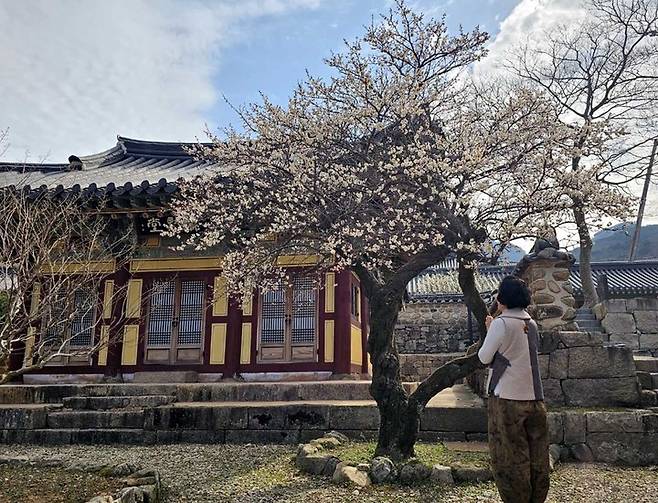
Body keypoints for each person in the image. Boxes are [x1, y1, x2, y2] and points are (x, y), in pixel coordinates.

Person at [478, 275, 549, 503]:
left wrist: (490, 329)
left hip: (507, 398)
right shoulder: (532, 324)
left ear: (502, 298)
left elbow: (484, 357)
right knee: (537, 454)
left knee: (510, 456)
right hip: (535, 397)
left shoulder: (501, 323)